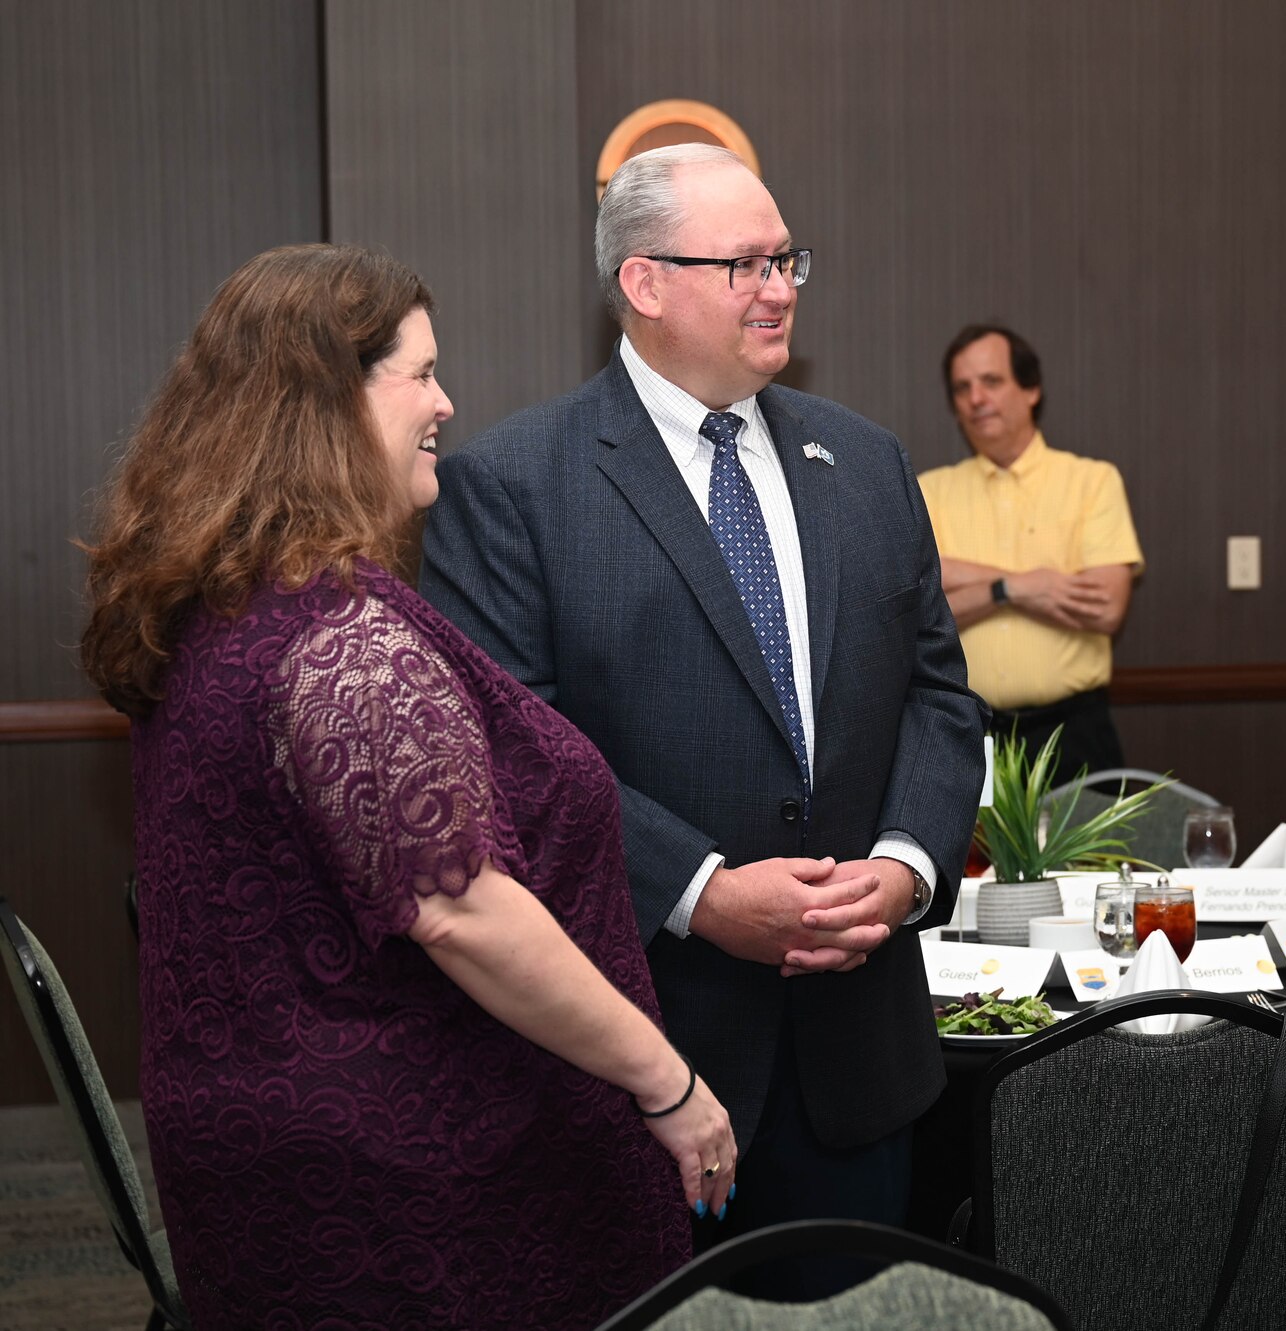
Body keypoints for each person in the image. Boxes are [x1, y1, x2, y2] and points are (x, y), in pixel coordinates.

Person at [78, 244, 732, 1330]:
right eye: (420, 372)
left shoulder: (226, 603)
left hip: (272, 1158)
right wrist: (666, 1082)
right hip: (406, 1196)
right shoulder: (340, 637)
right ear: (329, 399)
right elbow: (461, 907)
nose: (446, 401)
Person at [419, 145, 985, 1272]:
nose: (779, 287)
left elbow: (936, 692)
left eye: (786, 260)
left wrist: (907, 863)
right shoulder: (516, 483)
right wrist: (700, 893)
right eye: (745, 264)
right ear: (644, 283)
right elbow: (518, 752)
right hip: (649, 1052)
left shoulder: (866, 462)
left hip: (857, 1060)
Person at [919, 324, 1143, 781]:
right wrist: (1018, 587)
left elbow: (1105, 608)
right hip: (967, 734)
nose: (976, 398)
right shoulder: (928, 491)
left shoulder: (1092, 482)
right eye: (962, 388)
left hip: (1073, 733)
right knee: (973, 858)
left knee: (1082, 857)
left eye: (992, 381)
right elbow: (919, 612)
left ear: (1032, 389)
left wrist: (966, 580)